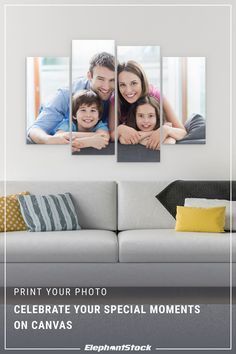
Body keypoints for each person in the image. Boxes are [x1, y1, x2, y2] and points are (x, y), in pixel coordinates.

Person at [28, 52, 115, 148]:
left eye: (112, 80)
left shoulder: (118, 93)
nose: (106, 87)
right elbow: (35, 129)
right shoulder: (66, 95)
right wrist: (48, 140)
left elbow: (104, 136)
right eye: (101, 79)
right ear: (90, 76)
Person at [114, 60, 187, 150]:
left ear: (142, 82)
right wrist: (120, 129)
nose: (128, 90)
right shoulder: (115, 100)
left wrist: (166, 129)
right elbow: (111, 134)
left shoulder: (155, 95)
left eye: (134, 83)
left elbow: (182, 131)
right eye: (122, 85)